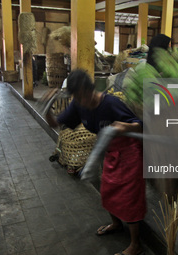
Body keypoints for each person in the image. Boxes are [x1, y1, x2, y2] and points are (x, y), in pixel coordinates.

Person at [45, 69, 146, 255]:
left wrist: (125, 126)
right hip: (109, 151)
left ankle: (135, 245)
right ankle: (116, 224)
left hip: (129, 152)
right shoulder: (78, 105)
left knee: (129, 197)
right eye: (76, 96)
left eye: (83, 94)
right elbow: (55, 123)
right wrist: (48, 105)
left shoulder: (110, 103)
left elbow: (142, 126)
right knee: (108, 190)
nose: (81, 100)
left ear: (89, 89)